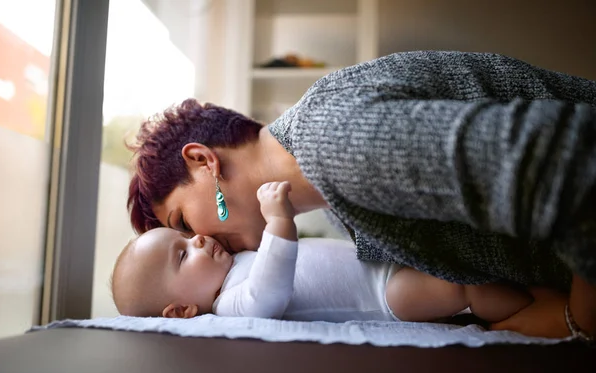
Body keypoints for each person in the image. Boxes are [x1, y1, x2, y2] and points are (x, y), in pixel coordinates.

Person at [126, 51, 596, 342]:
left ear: (203, 161)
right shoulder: (345, 209)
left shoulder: (335, 143)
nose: (204, 239)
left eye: (185, 222)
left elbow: (577, 162)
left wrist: (576, 318)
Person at [113, 180, 533, 324]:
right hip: (384, 296)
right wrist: (279, 221)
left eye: (187, 236)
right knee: (463, 290)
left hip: (378, 264)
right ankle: (529, 313)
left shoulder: (237, 261)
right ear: (182, 310)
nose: (199, 238)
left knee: (461, 272)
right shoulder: (232, 304)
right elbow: (270, 293)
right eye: (184, 254)